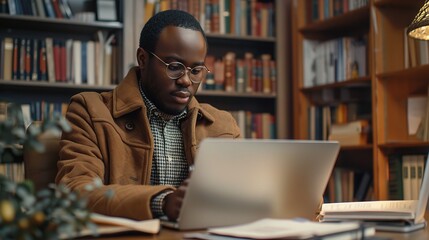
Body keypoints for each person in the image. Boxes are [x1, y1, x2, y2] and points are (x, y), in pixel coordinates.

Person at [56, 10, 241, 221]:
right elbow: (75, 193)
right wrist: (162, 202)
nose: (186, 81)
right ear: (143, 59)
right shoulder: (89, 110)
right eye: (174, 67)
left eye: (196, 70)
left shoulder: (223, 125)